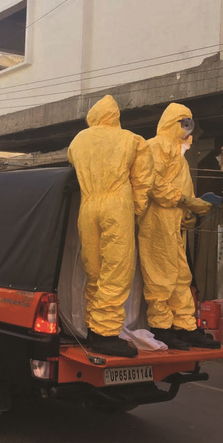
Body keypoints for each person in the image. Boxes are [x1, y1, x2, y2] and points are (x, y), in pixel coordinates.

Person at [67, 95, 154, 357]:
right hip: (116, 205)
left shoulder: (78, 140)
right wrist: (135, 210)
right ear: (115, 116)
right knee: (116, 270)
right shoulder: (133, 140)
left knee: (93, 269)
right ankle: (105, 334)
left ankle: (94, 329)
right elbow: (142, 181)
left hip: (88, 205)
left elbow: (72, 161)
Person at [138, 104, 220, 349]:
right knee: (160, 276)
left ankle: (185, 327)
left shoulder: (180, 155)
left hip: (174, 223)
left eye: (190, 124)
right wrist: (184, 201)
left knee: (181, 277)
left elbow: (184, 189)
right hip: (156, 220)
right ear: (171, 123)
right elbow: (151, 183)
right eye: (184, 124)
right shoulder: (154, 146)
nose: (188, 130)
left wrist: (188, 212)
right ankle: (161, 328)